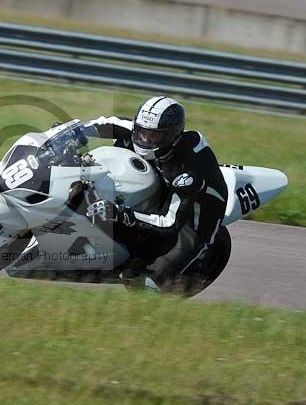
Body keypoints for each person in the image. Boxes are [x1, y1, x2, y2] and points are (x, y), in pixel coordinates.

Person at [82, 96, 228, 292]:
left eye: (155, 136)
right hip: (162, 185)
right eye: (142, 133)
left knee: (142, 283)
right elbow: (103, 123)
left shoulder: (186, 172)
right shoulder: (136, 129)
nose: (146, 140)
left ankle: (193, 263)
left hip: (194, 215)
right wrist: (69, 132)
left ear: (173, 135)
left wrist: (123, 214)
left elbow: (170, 223)